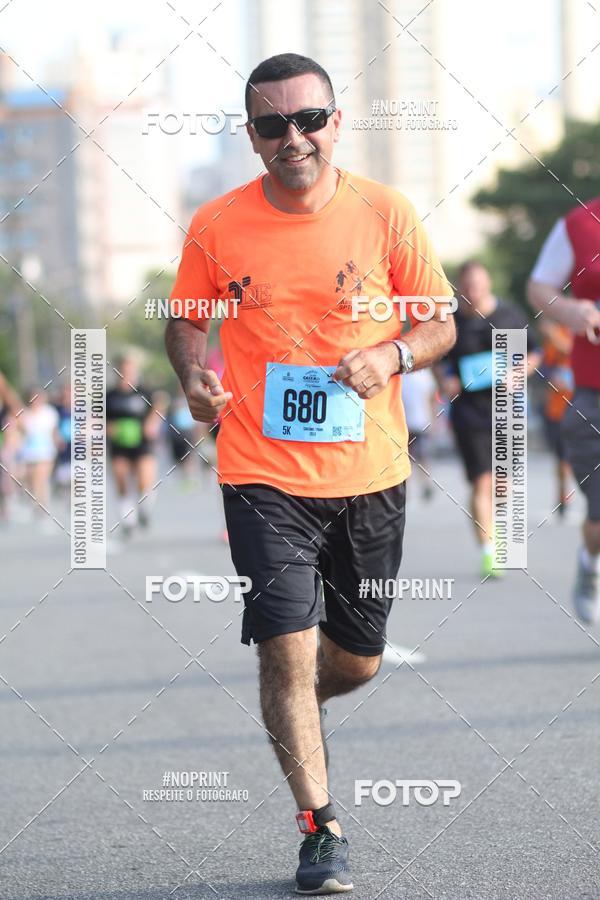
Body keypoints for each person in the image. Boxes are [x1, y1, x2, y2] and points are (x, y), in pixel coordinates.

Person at [165, 53, 456, 895]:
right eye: (271, 125)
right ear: (252, 138)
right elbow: (187, 322)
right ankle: (319, 828)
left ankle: (294, 711)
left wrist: (391, 354)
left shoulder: (387, 212)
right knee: (285, 651)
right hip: (261, 471)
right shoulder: (217, 223)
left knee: (355, 663)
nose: (293, 138)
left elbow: (437, 323)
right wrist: (193, 376)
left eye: (308, 120)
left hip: (369, 473)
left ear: (336, 121)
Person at [436, 261, 539, 578]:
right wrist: (445, 383)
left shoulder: (509, 316)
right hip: (469, 413)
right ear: (459, 287)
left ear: (488, 283)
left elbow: (534, 352)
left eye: (478, 286)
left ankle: (496, 527)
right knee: (482, 480)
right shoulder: (452, 321)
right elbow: (437, 360)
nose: (472, 292)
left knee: (501, 484)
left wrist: (518, 372)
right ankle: (488, 552)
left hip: (507, 409)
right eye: (466, 287)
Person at [528, 201, 600, 624]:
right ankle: (591, 565)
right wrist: (572, 311)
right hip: (593, 393)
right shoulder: (578, 223)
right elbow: (540, 286)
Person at [106, 353, 162, 537]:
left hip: (142, 442)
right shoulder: (110, 396)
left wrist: (152, 423)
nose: (127, 373)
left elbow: (160, 405)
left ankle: (145, 509)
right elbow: (98, 418)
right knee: (121, 478)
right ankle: (128, 519)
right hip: (119, 444)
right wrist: (108, 428)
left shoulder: (144, 392)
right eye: (123, 369)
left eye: (130, 369)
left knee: (144, 480)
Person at [538, 321, 574, 518]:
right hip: (556, 409)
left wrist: (553, 335)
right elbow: (544, 367)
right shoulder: (551, 339)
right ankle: (562, 494)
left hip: (579, 406)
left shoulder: (579, 331)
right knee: (561, 458)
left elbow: (571, 350)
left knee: (576, 456)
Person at [19, 388, 59, 527]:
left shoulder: (49, 413)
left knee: (40, 477)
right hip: (29, 452)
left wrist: (57, 442)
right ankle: (38, 502)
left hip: (46, 451)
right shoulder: (25, 414)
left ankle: (42, 506)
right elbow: (21, 432)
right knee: (31, 479)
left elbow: (54, 431)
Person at [401, 366, 437, 501]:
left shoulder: (424, 374)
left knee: (422, 457)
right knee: (407, 457)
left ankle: (425, 484)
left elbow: (431, 398)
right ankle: (406, 488)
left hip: (421, 422)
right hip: (405, 423)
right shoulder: (401, 376)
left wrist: (433, 420)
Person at [0, 370, 22, 523]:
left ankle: (5, 506)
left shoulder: (8, 400)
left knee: (4, 477)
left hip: (4, 445)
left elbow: (20, 417)